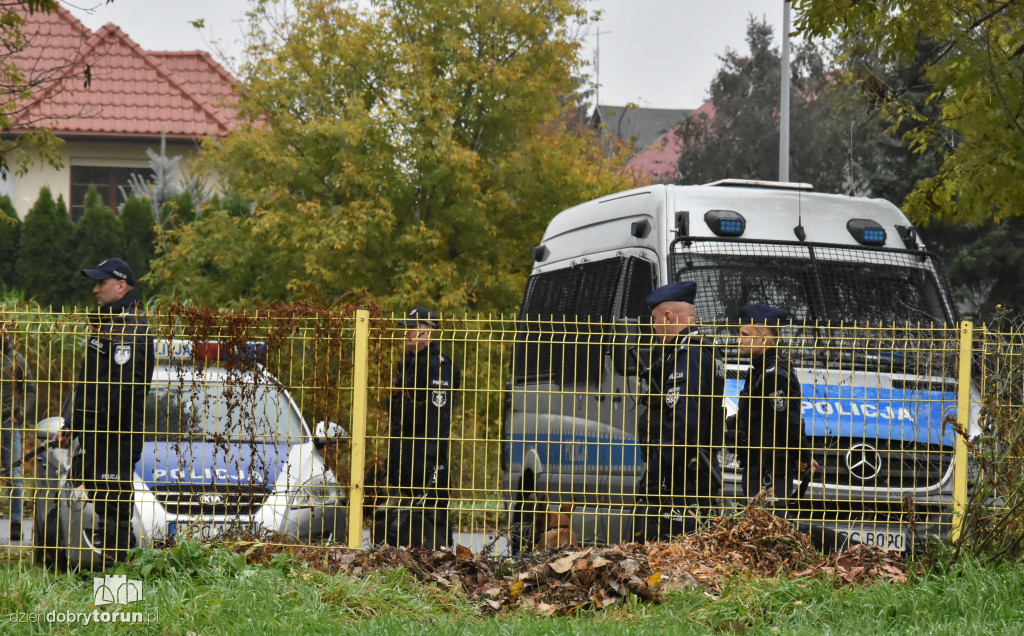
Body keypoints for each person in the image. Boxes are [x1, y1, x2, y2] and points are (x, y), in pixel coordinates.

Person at [53, 258, 153, 563]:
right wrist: (71, 423)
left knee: (114, 509)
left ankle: (117, 585)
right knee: (103, 505)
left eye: (101, 283)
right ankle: (115, 577)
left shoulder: (130, 328)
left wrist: (85, 424)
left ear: (121, 286)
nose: (95, 289)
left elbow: (121, 392)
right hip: (97, 432)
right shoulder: (108, 324)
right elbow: (86, 381)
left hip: (115, 435)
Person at [637, 281, 726, 541]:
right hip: (694, 466)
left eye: (654, 320)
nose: (653, 329)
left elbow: (682, 417)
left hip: (681, 473)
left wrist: (658, 466)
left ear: (668, 316)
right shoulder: (707, 345)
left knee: (668, 547)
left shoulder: (690, 351)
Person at [374, 307, 461, 550]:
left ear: (427, 331)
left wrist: (428, 459)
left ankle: (431, 558)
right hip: (402, 452)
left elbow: (436, 419)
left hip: (425, 455)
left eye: (412, 328)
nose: (407, 333)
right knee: (397, 511)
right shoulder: (408, 364)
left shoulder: (439, 367)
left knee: (428, 512)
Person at [733, 304, 814, 510]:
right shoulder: (760, 370)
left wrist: (803, 457)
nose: (737, 340)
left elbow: (788, 421)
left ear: (763, 339)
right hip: (759, 464)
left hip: (769, 469)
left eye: (744, 334)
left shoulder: (773, 375)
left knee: (766, 531)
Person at [2, 322, 37, 542]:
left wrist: (20, 414)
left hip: (8, 423)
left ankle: (16, 523)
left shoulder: (17, 360)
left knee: (13, 472)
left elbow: (30, 390)